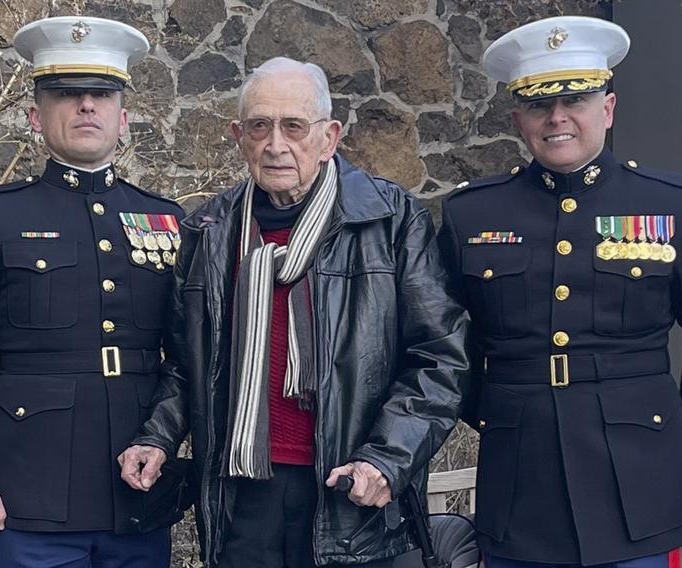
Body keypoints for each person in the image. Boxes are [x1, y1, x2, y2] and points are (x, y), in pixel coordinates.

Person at [119, 57, 470, 568]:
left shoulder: (390, 221)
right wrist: (157, 437)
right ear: (239, 136)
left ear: (328, 137)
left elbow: (440, 357)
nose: (276, 144)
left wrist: (386, 461)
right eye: (260, 126)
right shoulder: (209, 231)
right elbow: (183, 362)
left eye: (294, 126)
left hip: (350, 490)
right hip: (240, 495)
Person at [0, 16, 186, 568]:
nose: (86, 106)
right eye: (67, 95)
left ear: (124, 117)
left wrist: (166, 441)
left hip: (136, 488)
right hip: (28, 491)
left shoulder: (165, 219)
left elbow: (187, 359)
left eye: (101, 95)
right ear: (35, 116)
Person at [439, 15, 682, 568]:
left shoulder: (668, 205)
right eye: (540, 105)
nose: (558, 118)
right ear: (518, 118)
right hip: (521, 484)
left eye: (575, 99)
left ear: (608, 108)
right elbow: (444, 343)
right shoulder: (471, 213)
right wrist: (495, 411)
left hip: (642, 483)